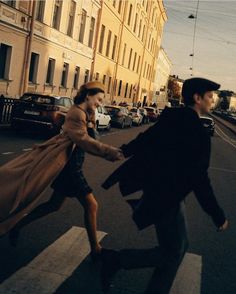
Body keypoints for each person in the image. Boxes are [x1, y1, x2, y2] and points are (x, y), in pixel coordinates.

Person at [101, 77, 229, 294]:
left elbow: (147, 137)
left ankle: (117, 260)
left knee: (177, 248)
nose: (212, 100)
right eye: (209, 96)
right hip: (167, 196)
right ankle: (116, 259)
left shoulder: (172, 118)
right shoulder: (198, 133)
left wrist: (124, 150)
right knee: (173, 251)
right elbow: (200, 179)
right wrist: (217, 214)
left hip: (160, 191)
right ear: (197, 98)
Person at [0, 81, 123, 260]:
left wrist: (92, 119)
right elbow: (83, 140)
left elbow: (92, 135)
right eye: (98, 99)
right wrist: (109, 152)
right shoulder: (76, 113)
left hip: (72, 165)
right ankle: (96, 250)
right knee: (91, 205)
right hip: (70, 168)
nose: (100, 103)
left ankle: (17, 226)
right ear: (88, 95)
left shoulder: (85, 113)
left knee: (54, 205)